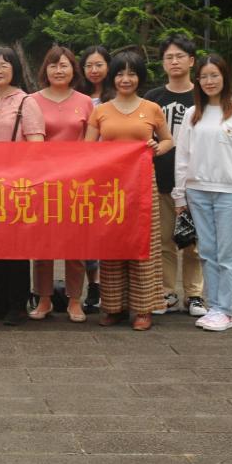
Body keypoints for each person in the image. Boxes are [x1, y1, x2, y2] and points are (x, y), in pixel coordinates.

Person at [85, 50, 172, 331]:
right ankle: (114, 308)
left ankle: (144, 309)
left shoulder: (152, 108)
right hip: (109, 187)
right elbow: (87, 149)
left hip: (143, 185)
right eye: (120, 73)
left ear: (140, 78)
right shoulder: (101, 110)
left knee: (143, 244)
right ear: (113, 77)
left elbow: (168, 140)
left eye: (132, 73)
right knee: (112, 244)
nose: (126, 79)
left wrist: (157, 147)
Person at [173, 54, 232, 333]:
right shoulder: (192, 114)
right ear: (197, 80)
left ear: (224, 77)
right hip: (198, 192)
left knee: (228, 255)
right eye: (204, 76)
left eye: (214, 75)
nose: (209, 81)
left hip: (229, 194)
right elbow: (183, 157)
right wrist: (180, 195)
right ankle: (214, 307)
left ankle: (225, 310)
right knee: (207, 253)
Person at [0, 46, 45, 326]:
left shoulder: (26, 102)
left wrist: (21, 176)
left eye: (4, 65)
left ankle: (17, 304)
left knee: (16, 246)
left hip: (17, 185)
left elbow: (36, 146)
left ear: (15, 69)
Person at [30, 46, 95, 322]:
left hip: (76, 182)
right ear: (45, 70)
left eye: (64, 65)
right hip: (42, 182)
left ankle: (75, 299)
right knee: (42, 245)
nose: (59, 70)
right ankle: (43, 298)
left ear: (73, 70)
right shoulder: (32, 100)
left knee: (75, 244)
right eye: (53, 65)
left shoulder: (85, 102)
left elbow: (92, 143)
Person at [145, 33, 205, 318]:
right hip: (160, 179)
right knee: (164, 241)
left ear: (191, 61)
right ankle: (167, 291)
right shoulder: (153, 99)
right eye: (168, 57)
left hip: (196, 182)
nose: (174, 61)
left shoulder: (203, 95)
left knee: (194, 244)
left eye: (180, 56)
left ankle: (194, 295)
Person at [76, 44, 113, 310]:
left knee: (108, 230)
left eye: (99, 64)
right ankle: (94, 285)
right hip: (84, 174)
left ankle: (112, 287)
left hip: (112, 173)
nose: (94, 70)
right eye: (88, 65)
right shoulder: (78, 97)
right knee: (86, 234)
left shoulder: (117, 96)